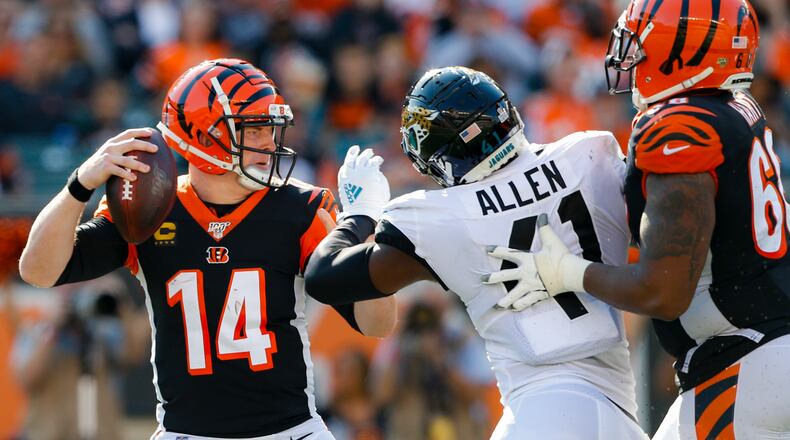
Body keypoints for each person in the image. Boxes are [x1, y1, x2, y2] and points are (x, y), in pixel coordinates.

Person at [18, 58, 396, 440]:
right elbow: (38, 271)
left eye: (272, 129)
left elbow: (376, 323)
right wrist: (79, 185)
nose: (271, 143)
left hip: (290, 431)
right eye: (254, 130)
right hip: (185, 433)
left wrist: (364, 223)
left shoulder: (301, 208)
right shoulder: (151, 207)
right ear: (203, 136)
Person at [485, 1, 790, 438]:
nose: (631, 57)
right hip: (764, 353)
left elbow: (662, 291)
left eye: (641, 44)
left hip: (749, 361)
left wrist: (569, 272)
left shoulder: (679, 127)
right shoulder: (735, 109)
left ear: (678, 50)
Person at [305, 66, 648, 439]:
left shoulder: (443, 216)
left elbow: (325, 277)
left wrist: (359, 216)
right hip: (611, 409)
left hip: (539, 410)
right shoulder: (588, 154)